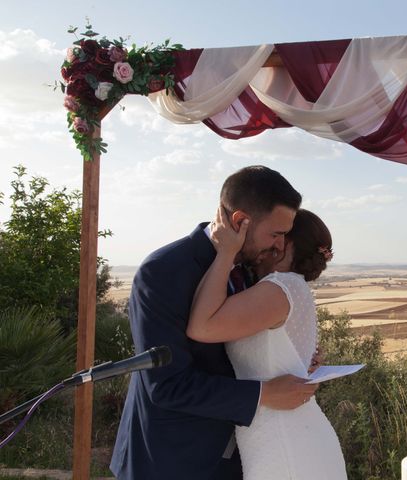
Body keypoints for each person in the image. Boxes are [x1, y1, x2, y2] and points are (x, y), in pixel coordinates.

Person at [110, 166, 318, 480]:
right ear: (239, 221)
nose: (279, 246)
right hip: (172, 460)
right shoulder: (163, 272)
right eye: (275, 234)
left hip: (242, 456)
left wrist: (292, 360)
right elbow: (166, 385)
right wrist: (264, 394)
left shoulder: (253, 267)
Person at [187, 208, 348, 480]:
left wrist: (225, 253)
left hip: (285, 442)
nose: (267, 244)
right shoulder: (290, 287)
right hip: (289, 434)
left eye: (278, 235)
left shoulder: (279, 287)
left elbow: (201, 327)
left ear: (285, 247)